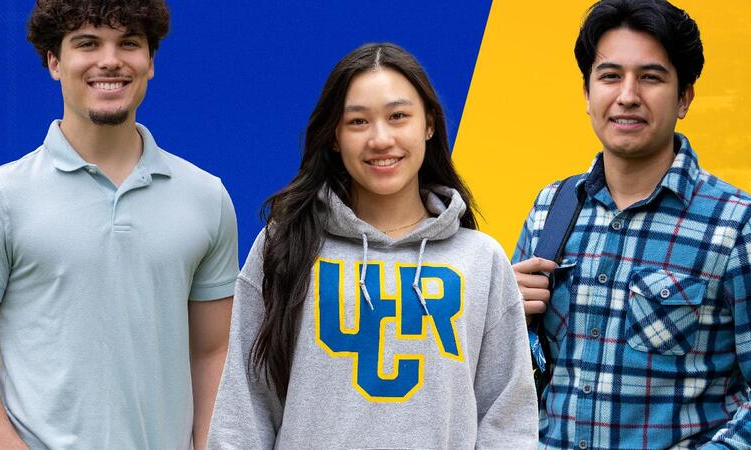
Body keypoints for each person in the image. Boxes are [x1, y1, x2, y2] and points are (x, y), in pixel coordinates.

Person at [510, 1, 751, 448]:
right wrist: (509, 320)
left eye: (651, 77)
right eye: (610, 75)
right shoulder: (551, 209)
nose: (627, 95)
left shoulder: (738, 225)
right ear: (586, 92)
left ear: (684, 98)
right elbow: (515, 374)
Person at [0, 0, 237, 448]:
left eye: (128, 43)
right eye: (87, 43)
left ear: (150, 61)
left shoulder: (206, 198)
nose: (109, 60)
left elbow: (213, 351)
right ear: (55, 61)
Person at [207, 43, 537, 449]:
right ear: (333, 137)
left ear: (429, 124)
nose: (381, 139)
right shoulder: (286, 246)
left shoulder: (482, 259)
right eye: (358, 121)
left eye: (398, 116)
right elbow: (245, 407)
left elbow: (507, 419)